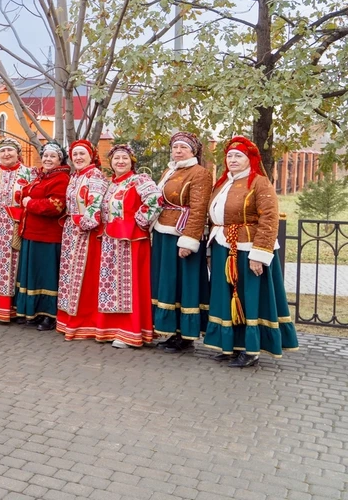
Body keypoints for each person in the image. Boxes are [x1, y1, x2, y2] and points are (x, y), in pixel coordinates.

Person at [204, 136, 298, 367]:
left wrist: (259, 254)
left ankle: (251, 349)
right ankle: (230, 346)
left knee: (249, 297)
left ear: (250, 159)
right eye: (229, 156)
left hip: (248, 249)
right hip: (223, 247)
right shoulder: (223, 183)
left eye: (238, 156)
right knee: (226, 297)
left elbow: (269, 219)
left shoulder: (259, 183)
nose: (233, 160)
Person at [95, 143, 162, 348]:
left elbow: (156, 199)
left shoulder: (139, 180)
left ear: (131, 161)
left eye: (124, 158)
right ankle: (111, 328)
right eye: (116, 158)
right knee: (110, 286)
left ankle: (131, 332)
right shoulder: (110, 184)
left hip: (131, 240)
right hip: (110, 239)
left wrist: (138, 222)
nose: (120, 161)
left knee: (130, 286)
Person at [151, 132, 212, 353]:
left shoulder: (200, 173)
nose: (178, 151)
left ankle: (185, 335)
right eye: (175, 147)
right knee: (168, 283)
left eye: (183, 147)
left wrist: (189, 240)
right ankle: (171, 330)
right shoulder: (170, 170)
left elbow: (198, 209)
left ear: (193, 151)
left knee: (184, 285)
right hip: (164, 232)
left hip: (181, 235)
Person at [14, 142, 70, 330]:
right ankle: (32, 311)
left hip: (48, 236)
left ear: (60, 160)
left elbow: (56, 206)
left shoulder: (61, 178)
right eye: (45, 156)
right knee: (33, 275)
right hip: (31, 233)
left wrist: (30, 203)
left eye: (52, 156)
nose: (48, 159)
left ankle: (49, 315)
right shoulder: (41, 176)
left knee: (47, 276)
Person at [56, 140, 109, 341]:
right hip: (72, 230)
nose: (78, 157)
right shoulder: (75, 176)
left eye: (82, 154)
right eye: (75, 154)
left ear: (91, 156)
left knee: (84, 277)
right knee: (70, 276)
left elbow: (95, 206)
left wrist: (83, 224)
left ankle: (84, 323)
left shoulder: (95, 176)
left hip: (86, 233)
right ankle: (69, 319)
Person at [0, 138, 33, 323]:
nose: (6, 154)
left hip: (15, 224)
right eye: (3, 151)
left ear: (18, 153)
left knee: (14, 266)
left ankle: (11, 309)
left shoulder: (29, 173)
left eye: (10, 150)